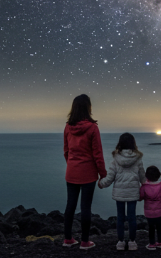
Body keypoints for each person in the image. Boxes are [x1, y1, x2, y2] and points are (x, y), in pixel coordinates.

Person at [63, 94, 107, 250]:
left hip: (71, 172)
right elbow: (98, 154)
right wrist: (103, 173)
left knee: (70, 205)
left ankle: (68, 239)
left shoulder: (68, 127)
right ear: (88, 108)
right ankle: (85, 242)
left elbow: (66, 151)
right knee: (86, 207)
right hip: (88, 173)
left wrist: (72, 165)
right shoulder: (93, 128)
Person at [98, 132, 146, 251]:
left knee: (120, 217)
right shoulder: (138, 158)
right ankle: (132, 242)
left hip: (119, 193)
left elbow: (110, 178)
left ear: (119, 144)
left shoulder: (115, 159)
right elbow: (142, 177)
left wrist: (101, 183)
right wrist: (151, 187)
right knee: (132, 217)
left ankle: (120, 242)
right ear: (133, 144)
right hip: (133, 193)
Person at [139, 165, 161, 250]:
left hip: (149, 212)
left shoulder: (144, 187)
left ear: (146, 176)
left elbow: (140, 197)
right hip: (159, 211)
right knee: (159, 227)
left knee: (151, 228)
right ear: (158, 175)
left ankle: (152, 244)